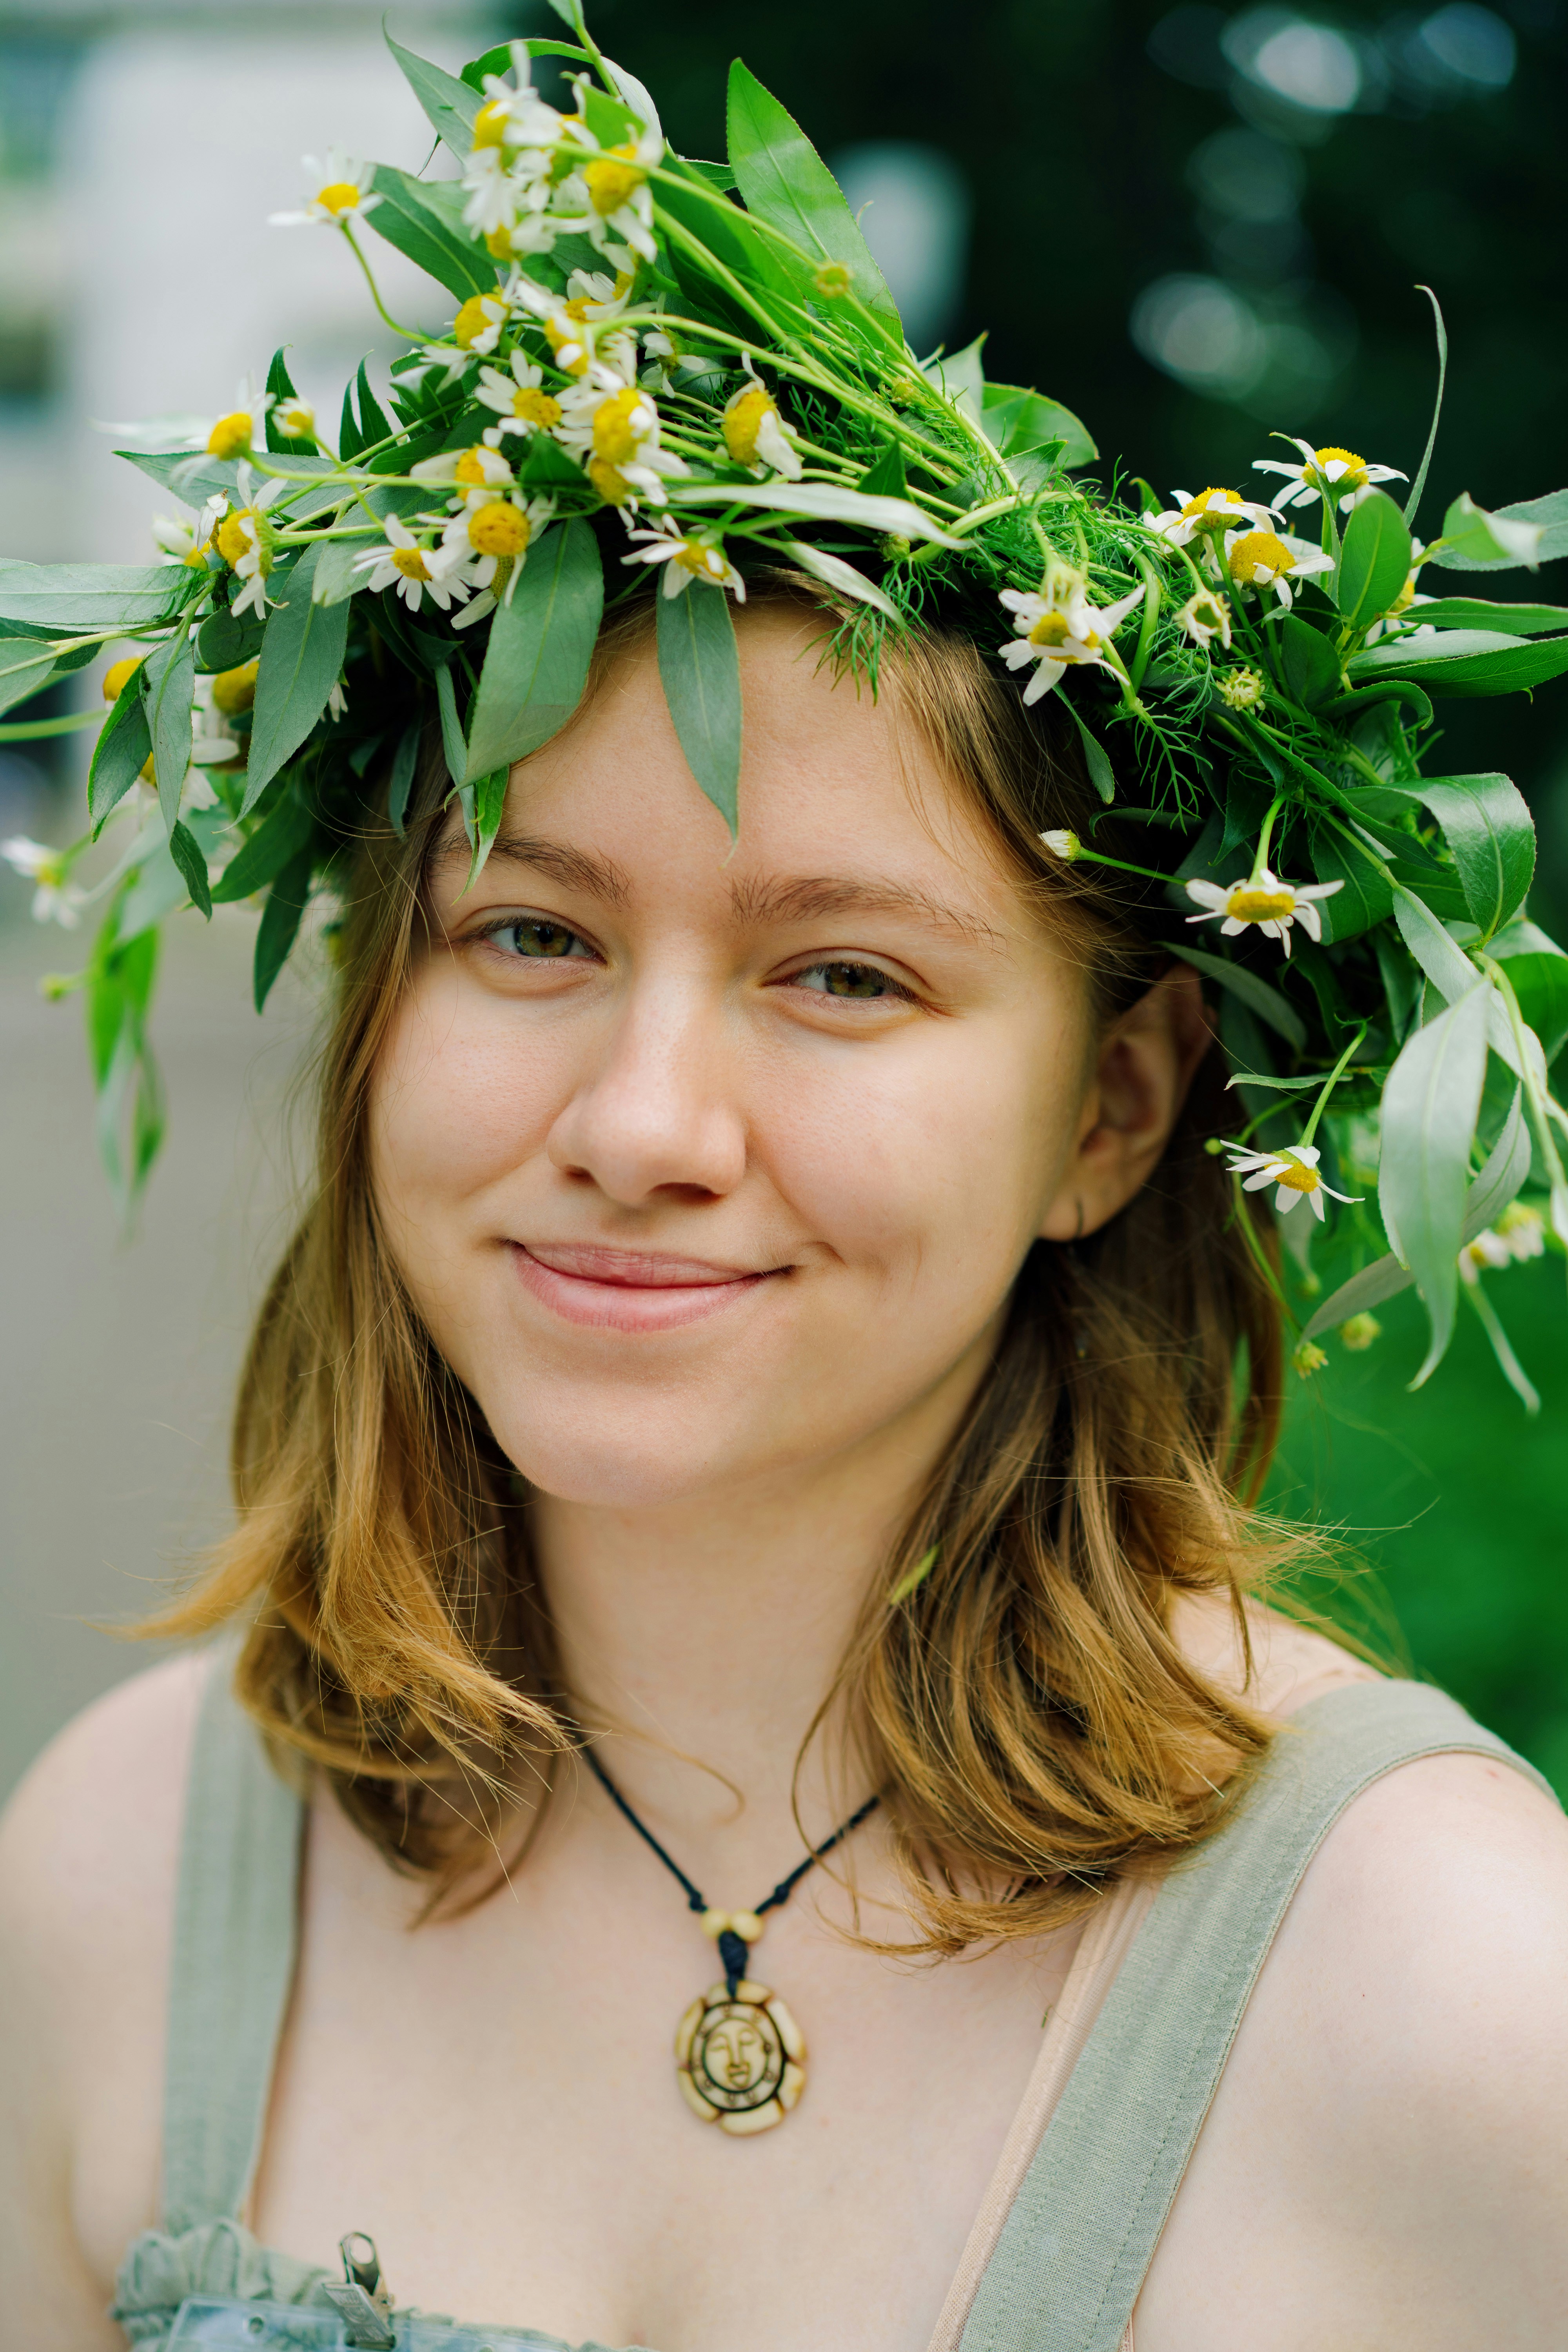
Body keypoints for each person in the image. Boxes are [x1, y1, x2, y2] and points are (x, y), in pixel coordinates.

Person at [3, 24, 1567, 2352]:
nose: (643, 1123)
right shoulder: (129, 1868)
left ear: (1116, 1111)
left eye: (841, 975)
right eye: (531, 935)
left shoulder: (1451, 2002)